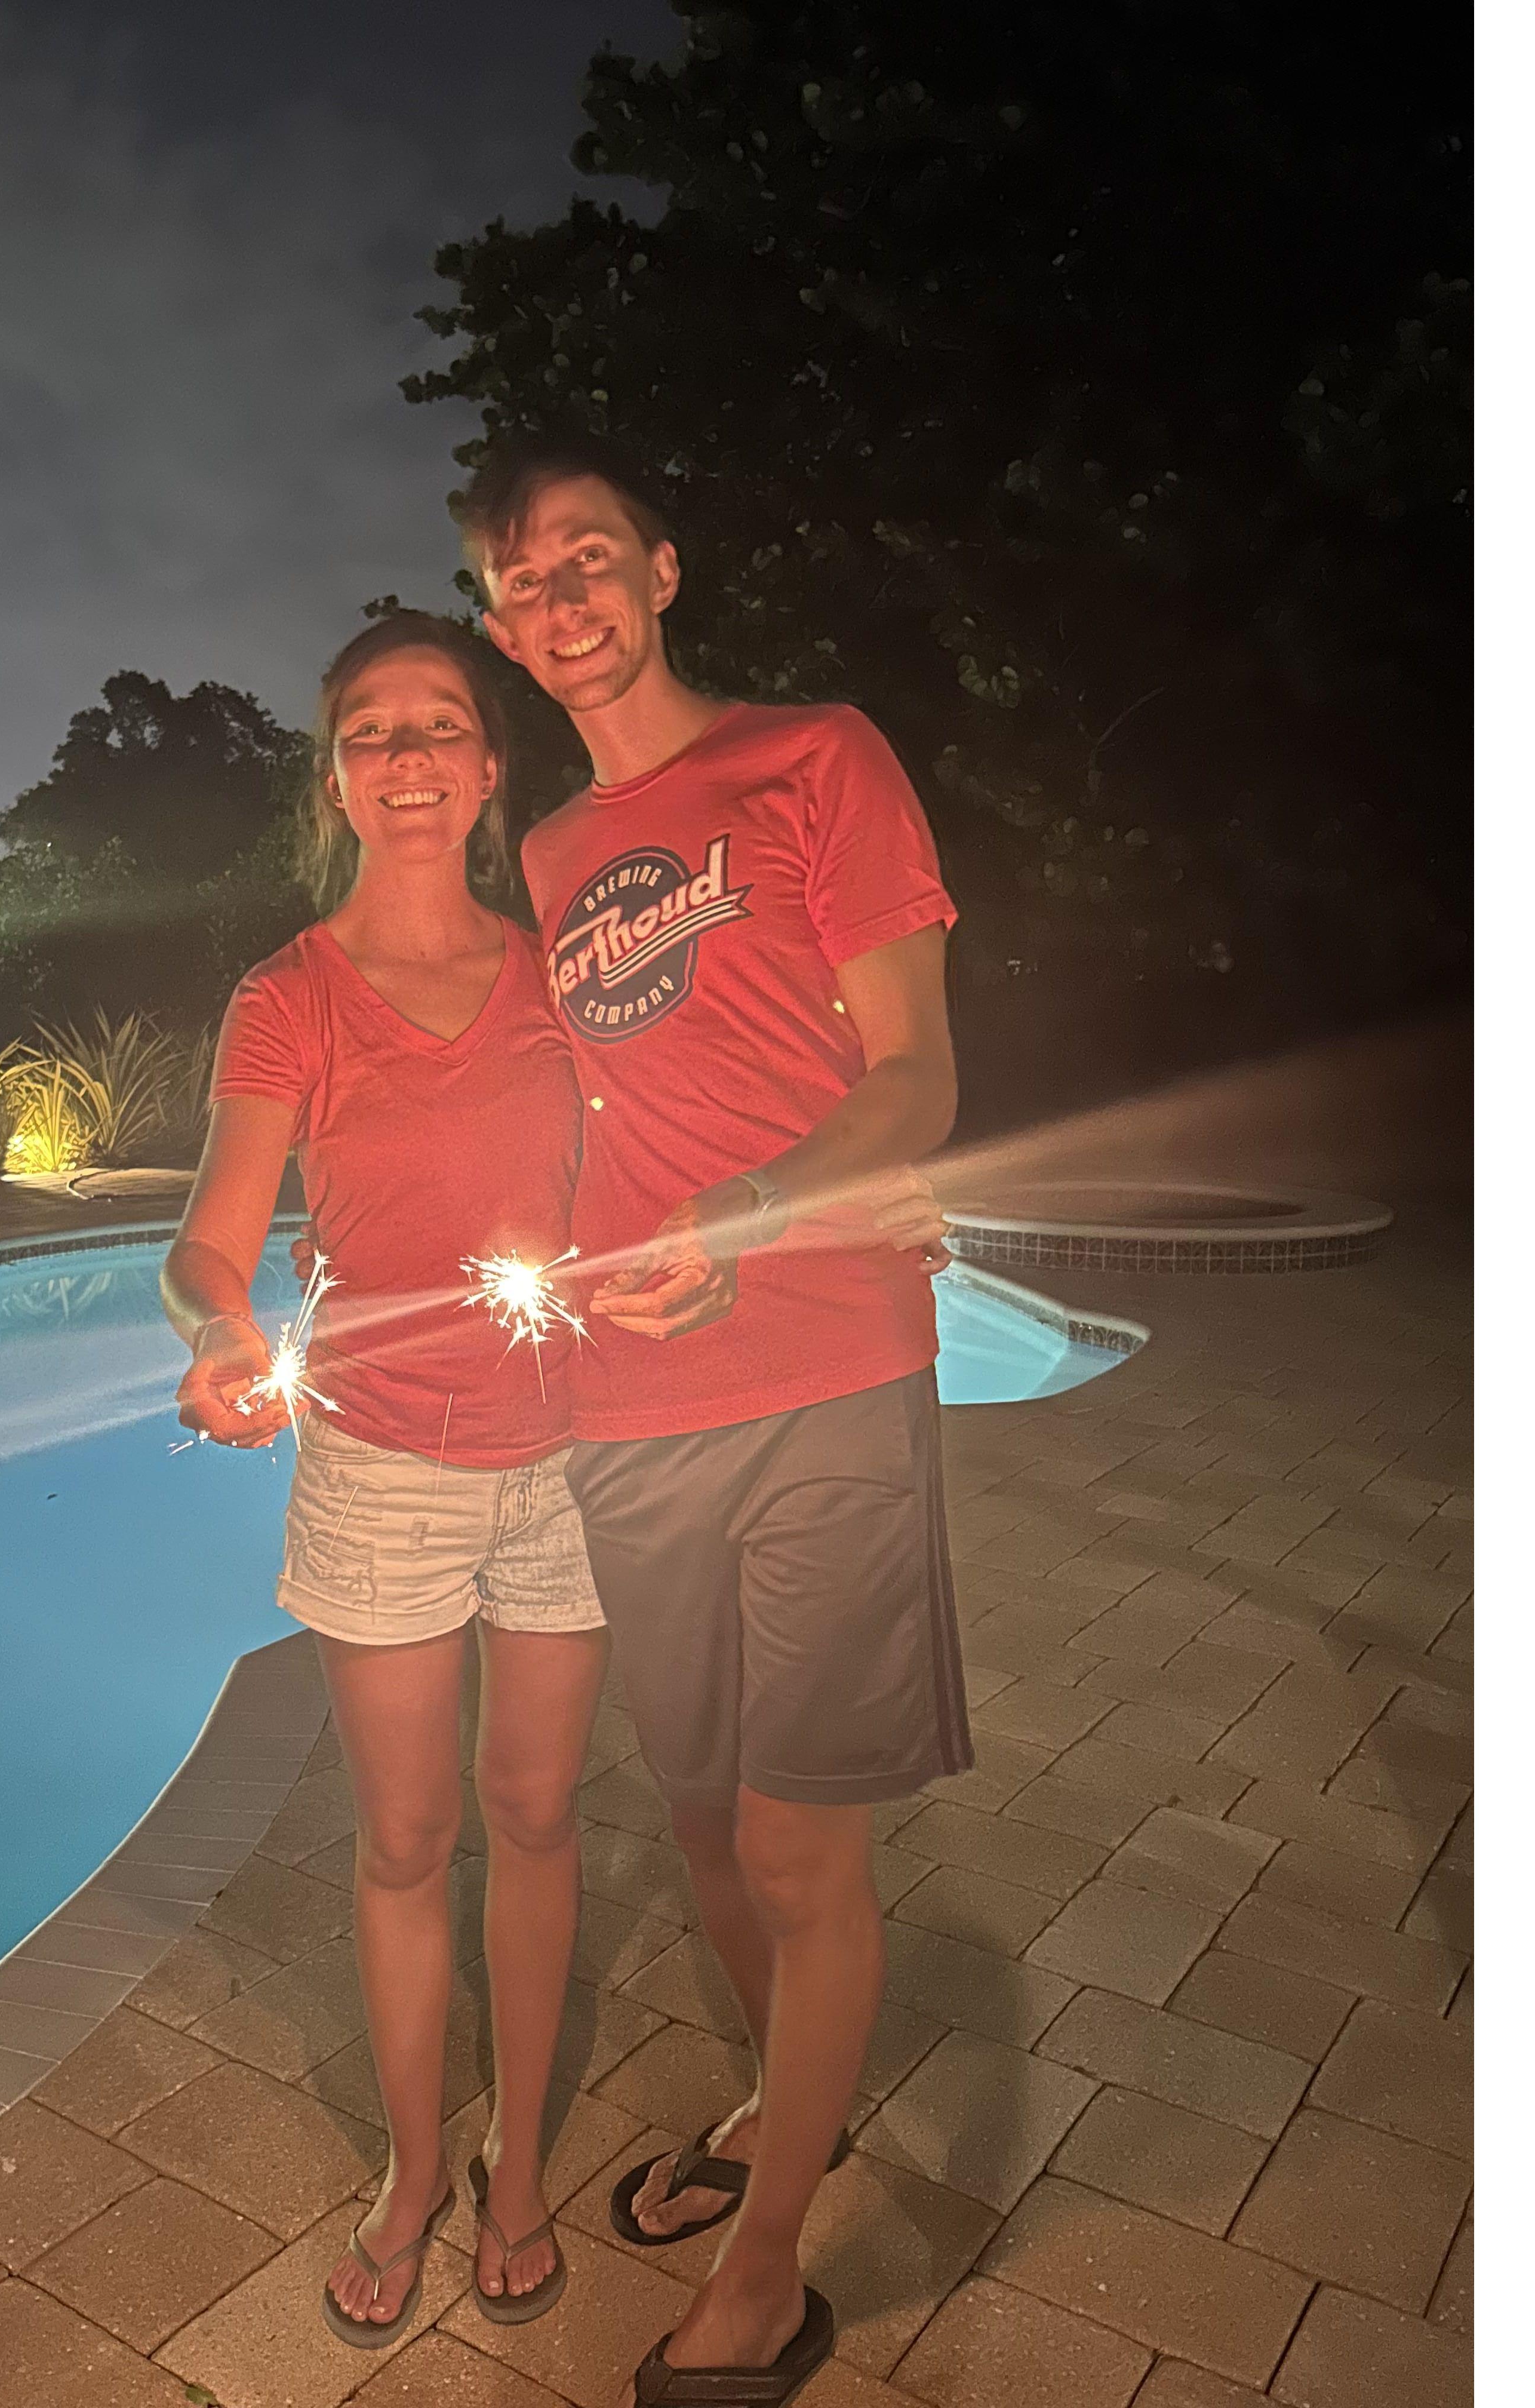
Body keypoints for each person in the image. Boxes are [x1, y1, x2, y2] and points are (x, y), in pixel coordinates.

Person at [464, 435, 970, 2407]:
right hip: (633, 1395)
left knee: (795, 1835)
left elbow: (914, 1076)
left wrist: (759, 1212)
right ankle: (793, 2104)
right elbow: (578, 1112)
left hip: (825, 1363)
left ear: (663, 571)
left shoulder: (814, 759)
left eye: (588, 557)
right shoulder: (547, 857)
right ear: (503, 627)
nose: (560, 601)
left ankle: (768, 2281)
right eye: (521, 582)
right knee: (696, 1813)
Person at [160, 612, 608, 2344]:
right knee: (411, 1838)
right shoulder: (289, 999)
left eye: (439, 726)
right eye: (372, 731)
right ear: (338, 779)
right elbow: (211, 1243)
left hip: (571, 1461)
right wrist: (220, 1331)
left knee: (539, 1815)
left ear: (489, 770)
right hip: (379, 1471)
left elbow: (660, 1167)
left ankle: (519, 2163)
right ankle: (419, 2169)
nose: (408, 757)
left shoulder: (566, 972)